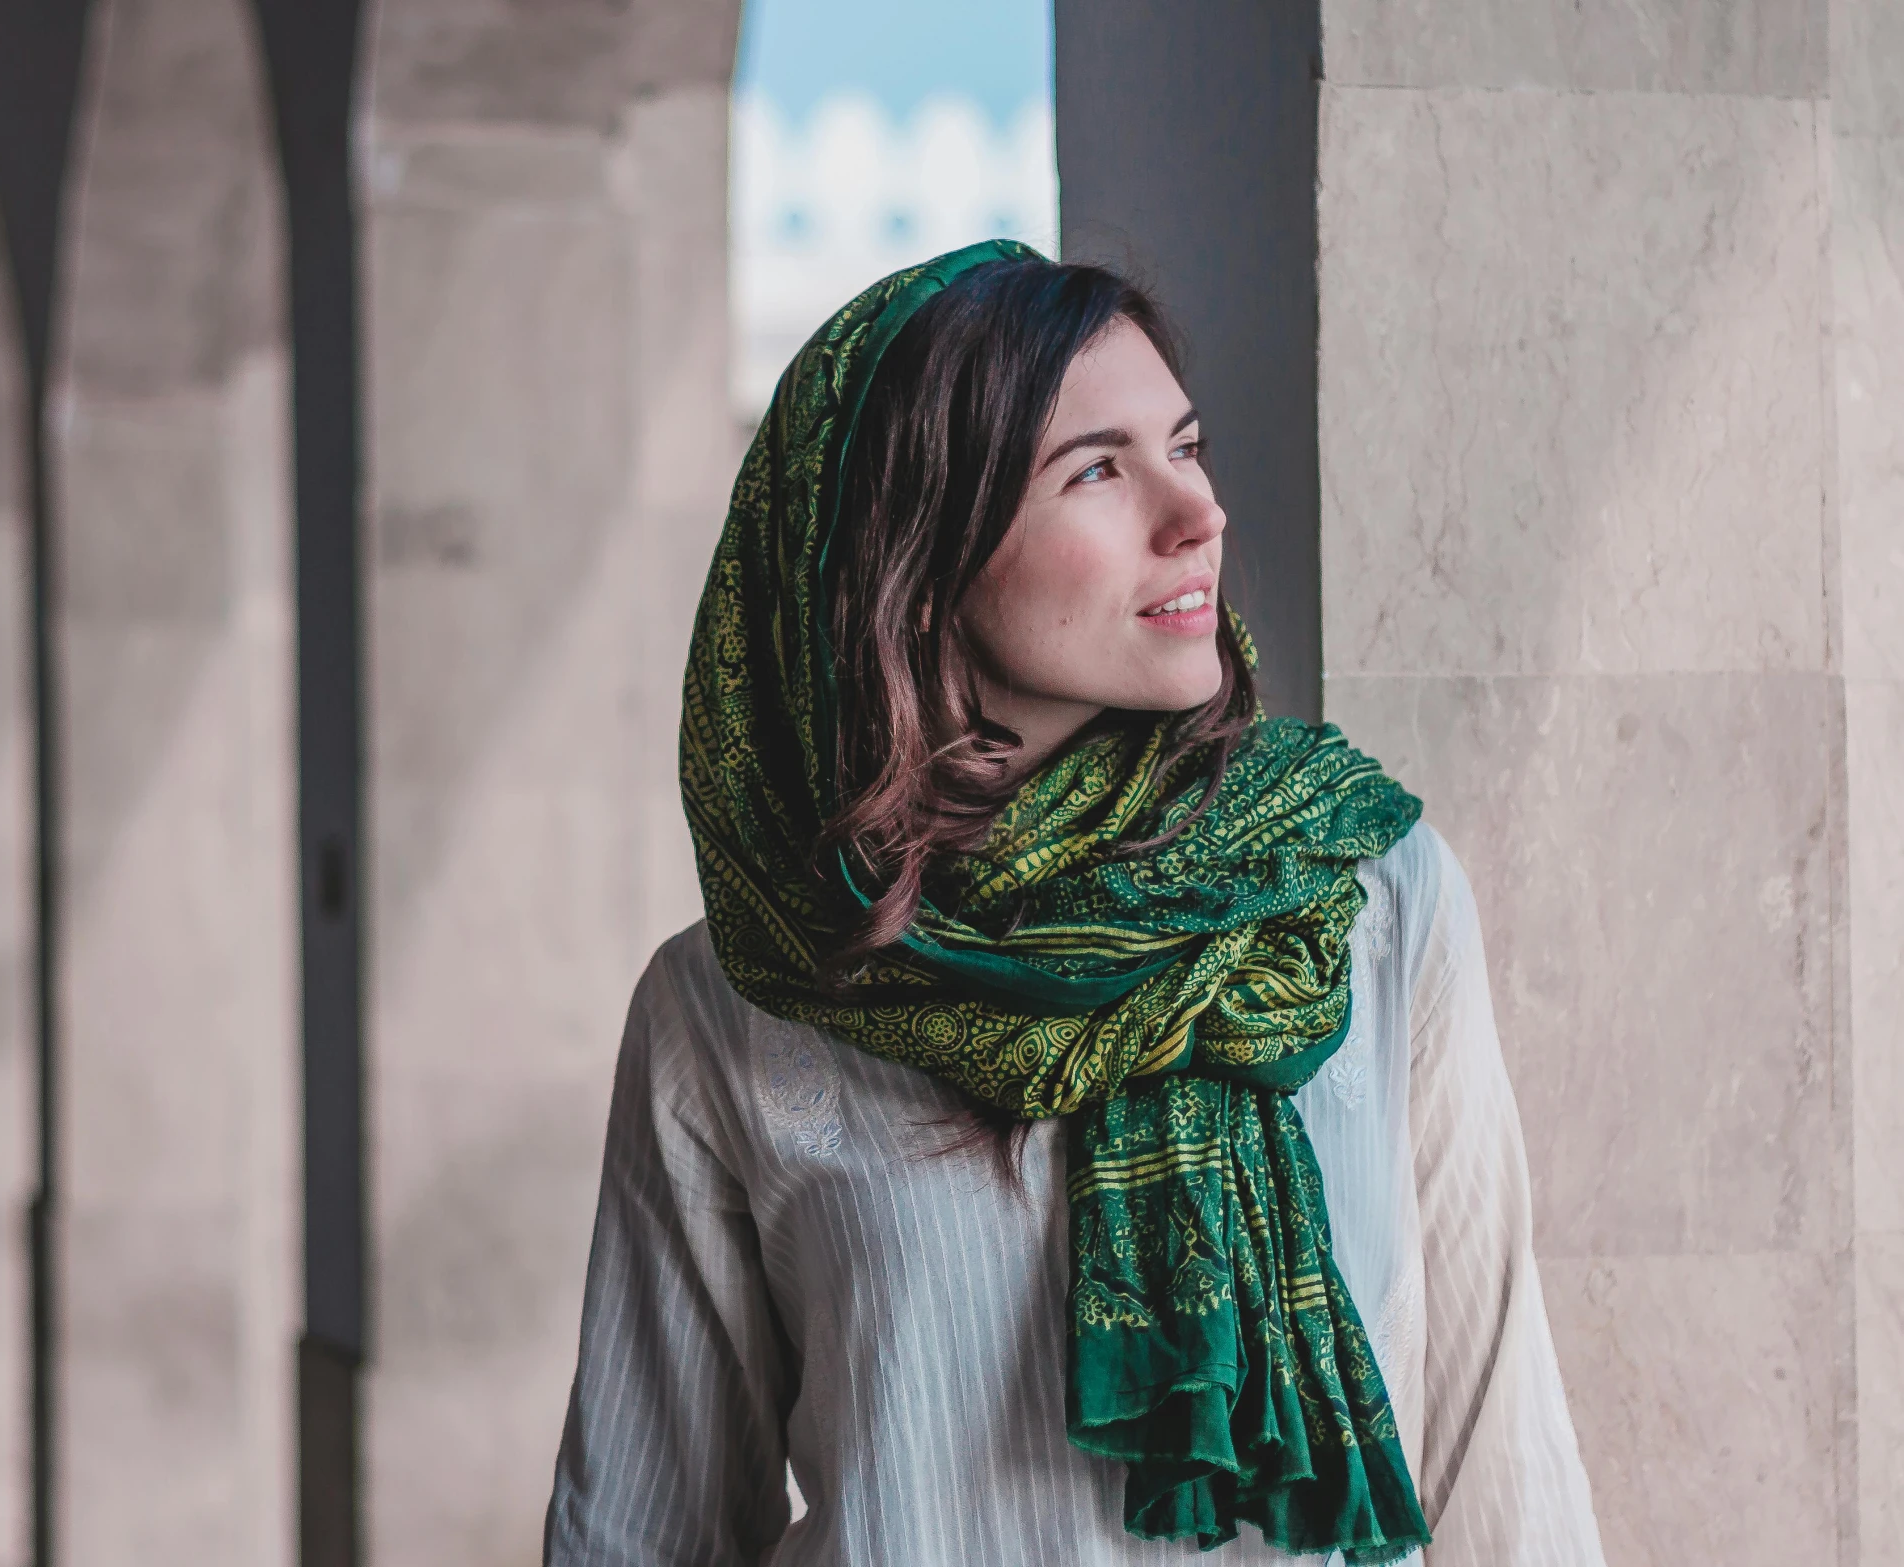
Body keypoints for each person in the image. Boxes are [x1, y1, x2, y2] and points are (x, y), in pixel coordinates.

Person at [544, 242, 1603, 1565]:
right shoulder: (737, 1003)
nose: (1195, 513)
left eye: (1186, 445)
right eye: (1097, 469)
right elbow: (643, 1529)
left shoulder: (1358, 896)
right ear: (918, 569)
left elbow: (1495, 1461)